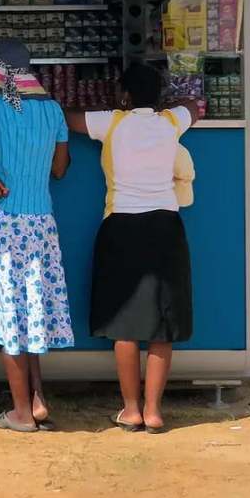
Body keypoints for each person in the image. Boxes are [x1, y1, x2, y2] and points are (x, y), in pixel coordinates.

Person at [65, 63, 201, 434]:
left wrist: (108, 107)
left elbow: (67, 118)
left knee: (125, 323)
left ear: (124, 95)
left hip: (122, 226)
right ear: (158, 96)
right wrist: (169, 106)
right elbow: (195, 106)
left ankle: (131, 410)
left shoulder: (111, 122)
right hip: (166, 227)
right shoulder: (171, 121)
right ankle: (154, 411)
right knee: (162, 325)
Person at [0, 39, 74, 433]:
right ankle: (38, 398)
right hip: (42, 224)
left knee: (11, 315)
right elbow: (60, 169)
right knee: (32, 312)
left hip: (5, 223)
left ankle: (21, 412)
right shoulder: (54, 111)